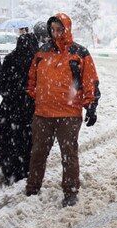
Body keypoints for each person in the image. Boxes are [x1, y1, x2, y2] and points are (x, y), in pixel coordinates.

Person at [25, 13, 100, 207]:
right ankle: (32, 188)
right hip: (43, 114)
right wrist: (37, 97)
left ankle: (71, 191)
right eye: (53, 29)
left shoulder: (79, 53)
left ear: (67, 29)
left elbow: (89, 81)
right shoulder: (42, 52)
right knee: (38, 153)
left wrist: (90, 105)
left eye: (59, 29)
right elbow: (31, 80)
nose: (56, 33)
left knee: (69, 154)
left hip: (69, 115)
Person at [0, 33, 39, 184]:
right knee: (26, 140)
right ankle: (23, 169)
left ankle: (9, 169)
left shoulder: (10, 59)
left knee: (8, 138)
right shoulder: (37, 61)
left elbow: (3, 84)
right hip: (28, 109)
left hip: (10, 109)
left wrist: (11, 94)